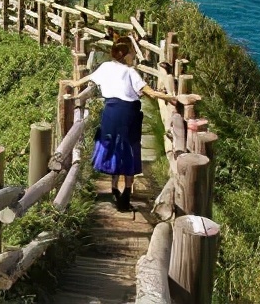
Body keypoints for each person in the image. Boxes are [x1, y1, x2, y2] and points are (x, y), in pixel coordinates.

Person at [69, 39, 198, 212]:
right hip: (128, 113)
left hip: (110, 112)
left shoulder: (105, 67)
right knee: (130, 150)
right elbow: (150, 92)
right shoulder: (130, 72)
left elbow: (83, 80)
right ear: (124, 54)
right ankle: (126, 193)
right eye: (131, 52)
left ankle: (114, 189)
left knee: (114, 148)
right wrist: (170, 98)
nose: (134, 55)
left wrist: (70, 84)